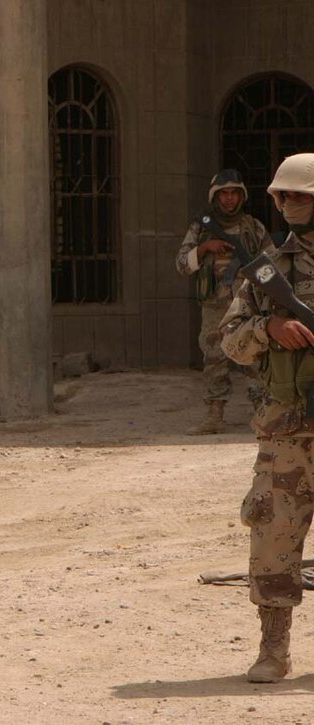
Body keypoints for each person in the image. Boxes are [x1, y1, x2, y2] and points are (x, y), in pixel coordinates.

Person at [220, 152, 314, 683]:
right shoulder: (267, 267)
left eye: (302, 194)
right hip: (287, 430)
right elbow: (230, 342)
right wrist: (268, 330)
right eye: (284, 196)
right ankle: (273, 648)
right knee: (275, 538)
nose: (291, 204)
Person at [177, 169, 273, 435]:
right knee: (214, 358)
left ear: (241, 196)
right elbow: (182, 264)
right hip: (214, 306)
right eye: (224, 194)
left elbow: (271, 265)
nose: (229, 199)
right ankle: (214, 416)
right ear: (215, 197)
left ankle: (263, 414)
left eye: (234, 193)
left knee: (254, 358)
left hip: (247, 305)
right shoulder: (201, 227)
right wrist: (206, 247)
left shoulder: (253, 227)